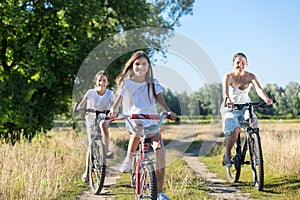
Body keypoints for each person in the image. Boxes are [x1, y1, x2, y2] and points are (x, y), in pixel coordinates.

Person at [109, 51, 177, 200]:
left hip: (151, 120)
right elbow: (117, 102)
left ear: (149, 66)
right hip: (133, 119)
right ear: (132, 66)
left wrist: (169, 112)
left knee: (160, 150)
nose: (141, 67)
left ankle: (158, 192)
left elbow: (162, 103)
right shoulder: (126, 83)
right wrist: (113, 110)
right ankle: (128, 160)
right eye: (137, 64)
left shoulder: (154, 83)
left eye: (144, 64)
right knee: (138, 128)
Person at [220, 52, 273, 167]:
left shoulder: (250, 76)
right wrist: (228, 100)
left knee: (252, 122)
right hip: (231, 107)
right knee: (234, 129)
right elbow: (225, 92)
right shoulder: (228, 77)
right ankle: (227, 155)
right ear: (233, 64)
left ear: (246, 64)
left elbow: (259, 89)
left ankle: (254, 152)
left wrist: (266, 99)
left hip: (245, 107)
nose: (240, 65)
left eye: (243, 63)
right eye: (238, 62)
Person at [77, 70, 114, 182]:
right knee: (91, 145)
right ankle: (87, 171)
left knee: (103, 124)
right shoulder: (90, 93)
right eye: (99, 80)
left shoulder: (110, 93)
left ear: (107, 83)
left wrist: (113, 112)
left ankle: (106, 150)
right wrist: (81, 109)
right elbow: (81, 105)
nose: (101, 83)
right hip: (91, 119)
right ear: (95, 81)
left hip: (103, 117)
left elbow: (114, 105)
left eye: (104, 81)